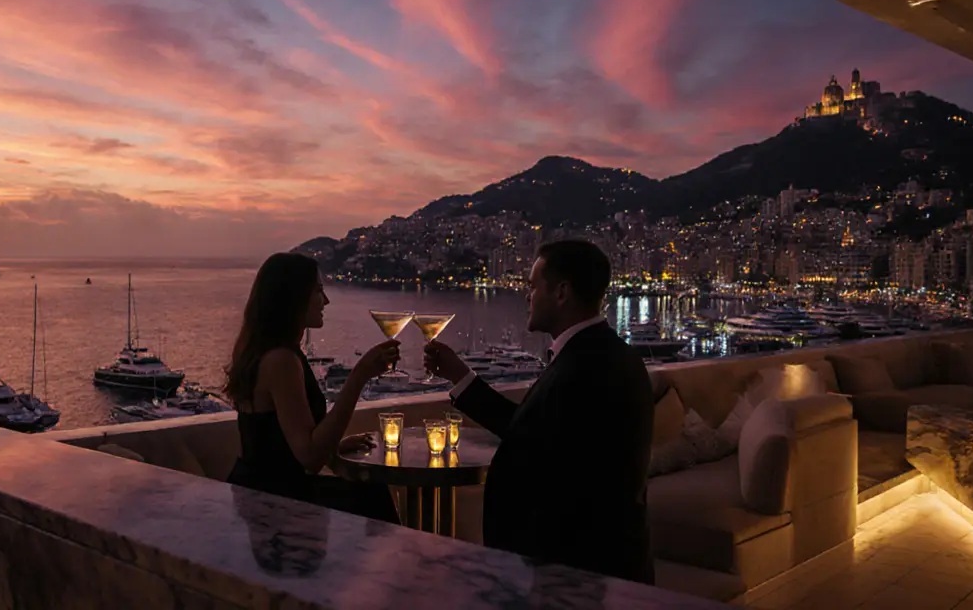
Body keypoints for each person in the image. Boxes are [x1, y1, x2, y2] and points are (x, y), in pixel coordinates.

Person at [423, 240, 654, 584]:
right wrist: (460, 376)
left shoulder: (587, 365)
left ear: (561, 293)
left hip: (578, 570)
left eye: (532, 286)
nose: (526, 297)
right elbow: (533, 431)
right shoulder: (603, 354)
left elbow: (542, 454)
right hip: (587, 562)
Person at [224, 252, 400, 523]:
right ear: (294, 297)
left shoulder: (262, 350)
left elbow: (280, 441)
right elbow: (310, 457)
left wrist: (336, 445)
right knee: (371, 497)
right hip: (275, 503)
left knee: (369, 491)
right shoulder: (282, 360)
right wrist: (359, 376)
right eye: (318, 291)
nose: (326, 301)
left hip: (257, 491)